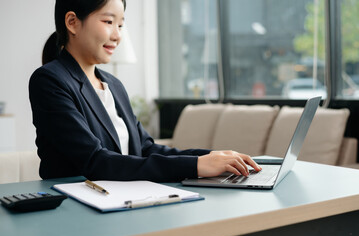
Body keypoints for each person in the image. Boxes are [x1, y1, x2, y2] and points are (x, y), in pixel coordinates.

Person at [29, 0, 261, 182]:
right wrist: (196, 166)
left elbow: (144, 149)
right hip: (75, 206)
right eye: (109, 22)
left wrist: (210, 157)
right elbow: (95, 162)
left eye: (120, 25)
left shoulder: (113, 84)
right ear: (72, 22)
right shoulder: (50, 80)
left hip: (121, 198)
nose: (118, 35)